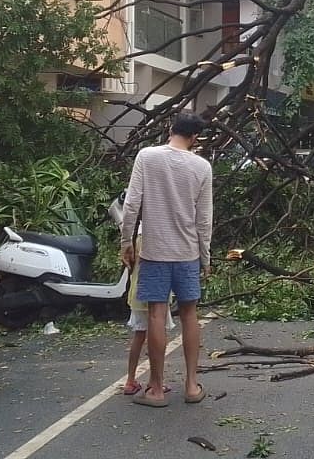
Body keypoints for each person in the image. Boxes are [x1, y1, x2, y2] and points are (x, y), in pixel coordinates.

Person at [120, 112, 213, 408]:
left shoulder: (147, 157)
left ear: (169, 129)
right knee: (189, 314)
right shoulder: (202, 166)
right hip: (187, 252)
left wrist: (126, 241)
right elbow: (204, 219)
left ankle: (156, 389)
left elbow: (132, 203)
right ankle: (191, 385)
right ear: (195, 138)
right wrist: (205, 256)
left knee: (157, 314)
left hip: (155, 251)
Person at [121, 227, 175, 396]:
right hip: (157, 292)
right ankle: (155, 381)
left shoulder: (135, 240)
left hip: (137, 291)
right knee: (158, 333)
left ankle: (130, 380)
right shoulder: (160, 236)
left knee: (139, 335)